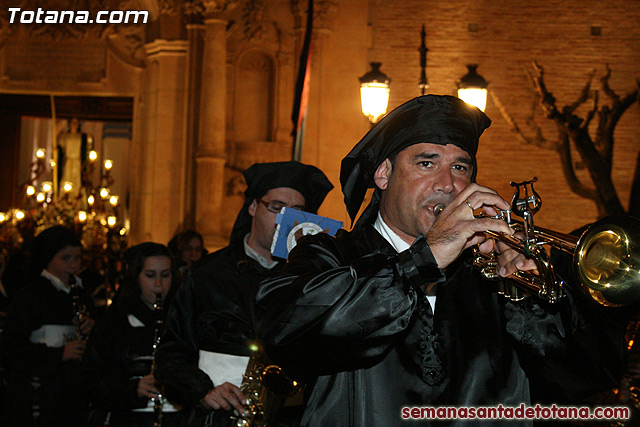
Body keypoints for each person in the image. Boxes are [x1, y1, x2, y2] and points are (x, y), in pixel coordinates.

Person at [252, 95, 627, 426]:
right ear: (383, 173)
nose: (448, 184)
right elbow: (284, 332)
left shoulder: (494, 272)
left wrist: (530, 299)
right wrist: (423, 260)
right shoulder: (330, 255)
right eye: (427, 164)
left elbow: (589, 378)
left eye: (461, 167)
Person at [155, 161, 333, 427]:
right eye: (277, 207)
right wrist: (203, 391)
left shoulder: (313, 280)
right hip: (216, 418)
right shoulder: (206, 275)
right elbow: (171, 354)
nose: (287, 219)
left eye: (297, 211)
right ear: (252, 207)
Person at [82, 242, 187, 426]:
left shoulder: (183, 319)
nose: (158, 284)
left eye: (165, 275)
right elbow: (90, 382)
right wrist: (134, 389)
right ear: (136, 277)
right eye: (150, 275)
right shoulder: (113, 322)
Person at [2, 225, 95, 427]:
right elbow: (12, 348)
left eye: (77, 258)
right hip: (39, 393)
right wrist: (59, 354)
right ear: (48, 259)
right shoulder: (30, 295)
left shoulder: (81, 294)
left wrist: (93, 329)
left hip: (72, 391)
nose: (73, 265)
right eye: (65, 258)